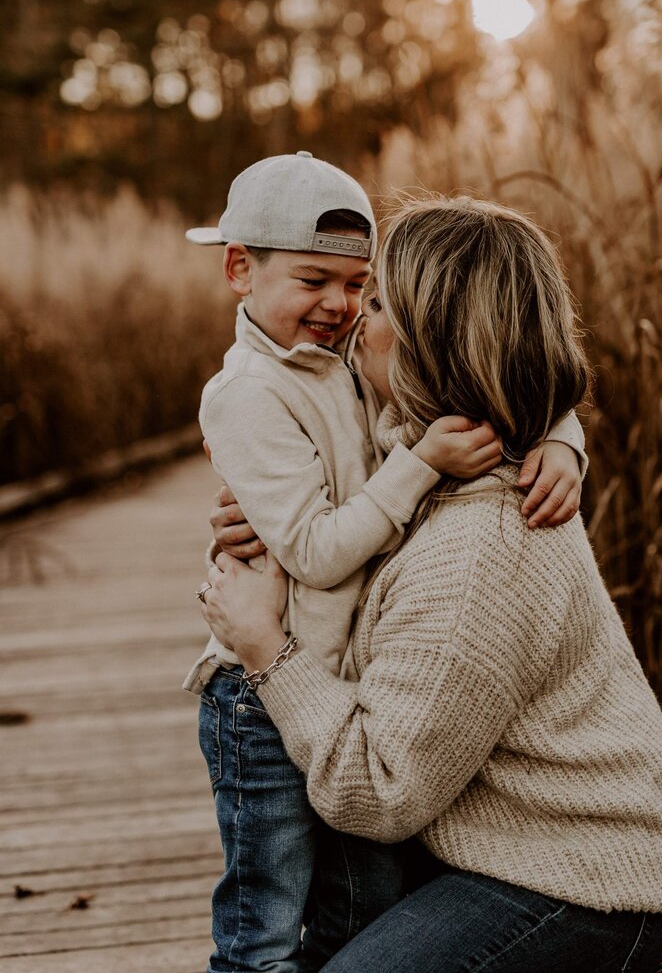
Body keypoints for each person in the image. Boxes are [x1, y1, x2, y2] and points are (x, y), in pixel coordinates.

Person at [199, 195, 662, 973]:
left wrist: (267, 649)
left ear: (428, 344)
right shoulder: (424, 454)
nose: (352, 319)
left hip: (587, 877)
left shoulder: (478, 551)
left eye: (375, 301)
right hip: (500, 835)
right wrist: (560, 433)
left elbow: (378, 793)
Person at [183, 156, 588, 973]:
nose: (339, 306)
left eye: (359, 288)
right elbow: (316, 552)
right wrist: (423, 464)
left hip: (345, 697)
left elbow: (496, 376)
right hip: (265, 703)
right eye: (312, 280)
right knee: (263, 926)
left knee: (357, 918)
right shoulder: (246, 396)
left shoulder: (343, 361)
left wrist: (560, 439)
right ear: (239, 269)